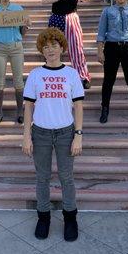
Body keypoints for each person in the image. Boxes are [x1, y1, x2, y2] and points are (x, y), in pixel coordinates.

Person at [22, 27, 84, 242]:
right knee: (42, 178)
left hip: (66, 133)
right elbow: (28, 106)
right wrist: (26, 136)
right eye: (46, 46)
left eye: (54, 45)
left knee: (67, 178)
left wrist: (78, 135)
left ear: (62, 48)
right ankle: (44, 217)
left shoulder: (71, 74)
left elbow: (78, 106)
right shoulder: (35, 75)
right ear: (41, 50)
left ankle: (70, 218)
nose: (50, 50)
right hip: (40, 133)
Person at [42, 0, 92, 89]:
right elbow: (44, 0)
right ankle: (50, 73)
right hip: (56, 19)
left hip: (71, 19)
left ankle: (82, 76)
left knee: (76, 48)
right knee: (52, 47)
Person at [0, 0, 30, 125]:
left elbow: (23, 32)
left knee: (18, 81)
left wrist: (26, 25)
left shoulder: (18, 9)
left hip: (16, 47)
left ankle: (20, 112)